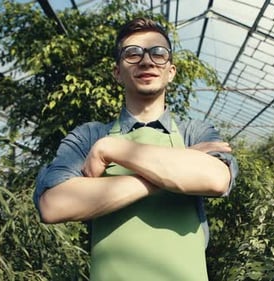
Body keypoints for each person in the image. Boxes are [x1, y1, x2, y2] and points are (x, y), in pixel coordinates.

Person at [33, 17, 238, 281]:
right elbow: (54, 205)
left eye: (158, 53)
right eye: (132, 54)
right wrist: (176, 169)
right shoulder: (89, 135)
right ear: (117, 72)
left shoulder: (194, 132)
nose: (146, 61)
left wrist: (111, 149)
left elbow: (216, 178)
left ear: (171, 71)